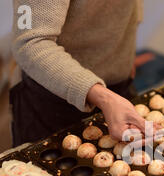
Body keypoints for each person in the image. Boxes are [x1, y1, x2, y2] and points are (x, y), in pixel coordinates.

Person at [10, 0, 147, 147]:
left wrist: (125, 52)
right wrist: (105, 98)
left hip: (117, 94)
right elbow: (30, 44)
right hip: (53, 100)